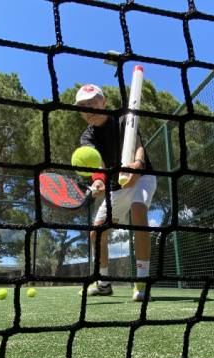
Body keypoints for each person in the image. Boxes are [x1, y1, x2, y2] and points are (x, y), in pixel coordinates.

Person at [75, 84, 156, 302]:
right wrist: (98, 182)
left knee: (138, 212)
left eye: (92, 102)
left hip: (143, 177)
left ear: (104, 102)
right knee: (96, 233)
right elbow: (97, 165)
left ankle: (141, 283)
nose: (88, 109)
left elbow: (138, 145)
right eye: (83, 106)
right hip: (116, 187)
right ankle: (103, 284)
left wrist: (137, 165)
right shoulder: (87, 137)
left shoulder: (123, 119)